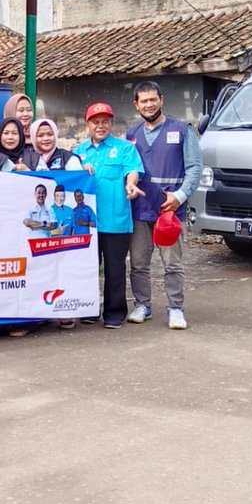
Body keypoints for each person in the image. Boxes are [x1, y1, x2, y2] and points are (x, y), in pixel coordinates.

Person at [125, 81, 203, 331]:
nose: (149, 105)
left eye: (152, 99)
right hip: (140, 209)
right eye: (143, 101)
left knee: (172, 263)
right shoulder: (132, 135)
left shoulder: (182, 130)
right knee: (138, 262)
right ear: (136, 105)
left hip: (170, 211)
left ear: (162, 100)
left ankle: (176, 308)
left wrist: (180, 196)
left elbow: (194, 168)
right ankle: (142, 304)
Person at [73, 102, 144, 329]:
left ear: (111, 123)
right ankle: (88, 308)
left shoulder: (125, 148)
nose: (100, 126)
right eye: (96, 122)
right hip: (87, 223)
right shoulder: (78, 152)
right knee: (87, 267)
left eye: (105, 122)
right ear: (88, 125)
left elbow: (132, 171)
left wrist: (131, 185)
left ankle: (114, 313)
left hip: (116, 220)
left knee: (115, 269)